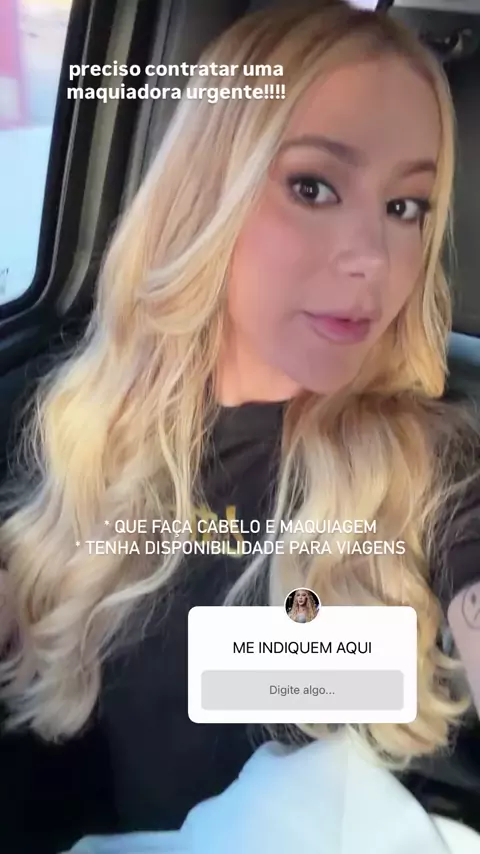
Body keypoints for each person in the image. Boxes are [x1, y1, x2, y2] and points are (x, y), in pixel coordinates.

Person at [1, 0, 480, 844]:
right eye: (313, 187)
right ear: (206, 192)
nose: (373, 256)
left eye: (407, 207)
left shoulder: (433, 463)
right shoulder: (77, 430)